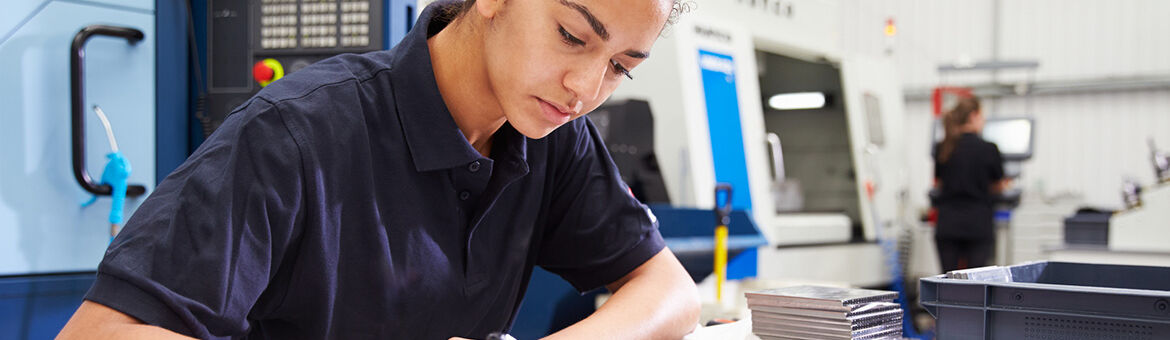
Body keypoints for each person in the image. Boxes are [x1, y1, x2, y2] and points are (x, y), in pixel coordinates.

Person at [57, 0, 700, 338]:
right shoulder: (297, 133)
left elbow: (669, 291)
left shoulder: (554, 134)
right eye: (572, 35)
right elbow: (103, 335)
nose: (584, 88)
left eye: (620, 67)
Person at [932, 96, 1009, 273]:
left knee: (947, 282)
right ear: (974, 116)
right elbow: (998, 186)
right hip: (977, 225)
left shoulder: (943, 147)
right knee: (975, 284)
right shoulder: (988, 149)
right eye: (982, 117)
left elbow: (939, 183)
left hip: (947, 224)